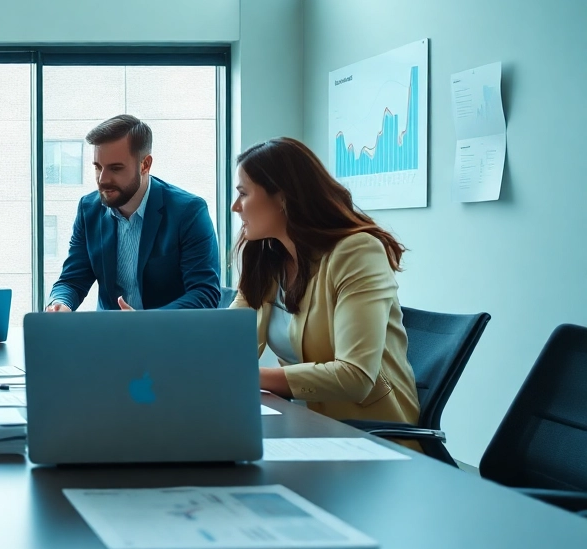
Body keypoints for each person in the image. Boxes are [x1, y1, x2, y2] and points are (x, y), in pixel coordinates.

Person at [230, 137, 418, 424]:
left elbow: (355, 376)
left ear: (282, 197)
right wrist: (148, 332)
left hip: (367, 433)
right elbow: (225, 341)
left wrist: (251, 377)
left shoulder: (357, 252)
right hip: (300, 423)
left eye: (243, 193)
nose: (235, 206)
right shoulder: (268, 259)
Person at [46, 114, 221, 312]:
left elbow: (205, 294)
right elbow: (72, 280)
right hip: (109, 338)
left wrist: (143, 323)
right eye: (98, 167)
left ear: (145, 165)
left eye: (115, 168)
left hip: (169, 339)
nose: (102, 179)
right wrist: (60, 303)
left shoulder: (189, 212)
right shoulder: (89, 209)